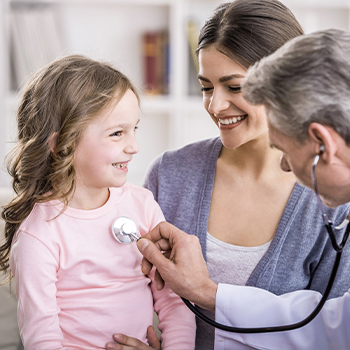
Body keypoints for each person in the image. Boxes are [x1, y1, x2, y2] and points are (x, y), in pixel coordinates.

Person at [126, 1, 350, 349]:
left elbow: (330, 332)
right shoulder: (168, 175)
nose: (214, 106)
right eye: (205, 87)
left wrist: (207, 292)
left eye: (234, 87)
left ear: (282, 86)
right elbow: (129, 295)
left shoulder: (334, 195)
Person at [0, 55, 196, 350]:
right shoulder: (39, 234)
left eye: (134, 129)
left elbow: (174, 300)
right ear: (60, 144)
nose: (133, 147)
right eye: (117, 133)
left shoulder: (142, 205)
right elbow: (42, 336)